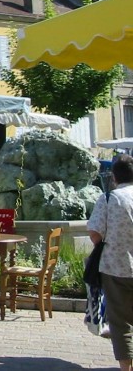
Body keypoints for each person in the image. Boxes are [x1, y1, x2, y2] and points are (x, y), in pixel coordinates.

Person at [87, 154, 133, 371]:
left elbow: (95, 233)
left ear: (114, 176)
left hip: (117, 265)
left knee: (120, 321)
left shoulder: (109, 198)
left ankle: (126, 367)